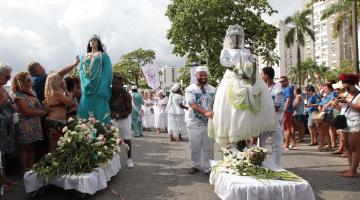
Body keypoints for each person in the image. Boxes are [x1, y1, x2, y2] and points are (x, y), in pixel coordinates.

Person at [210, 24, 276, 146]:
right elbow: (224, 61)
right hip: (231, 80)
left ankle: (244, 139)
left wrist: (251, 76)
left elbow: (253, 63)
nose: (236, 39)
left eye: (238, 37)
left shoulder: (246, 51)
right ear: (229, 38)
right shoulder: (226, 50)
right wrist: (236, 69)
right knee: (229, 107)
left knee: (247, 109)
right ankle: (234, 137)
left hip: (246, 80)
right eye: (233, 37)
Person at [12, 72, 48, 171]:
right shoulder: (18, 95)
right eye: (28, 80)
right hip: (25, 124)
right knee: (25, 147)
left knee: (33, 147)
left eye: (30, 79)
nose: (30, 81)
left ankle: (31, 169)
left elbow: (35, 107)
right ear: (21, 82)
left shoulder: (32, 91)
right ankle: (24, 170)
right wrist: (41, 113)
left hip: (34, 123)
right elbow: (25, 112)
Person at [185, 66, 215, 175]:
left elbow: (216, 103)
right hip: (194, 122)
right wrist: (206, 112)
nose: (203, 77)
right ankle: (195, 165)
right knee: (195, 146)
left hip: (209, 122)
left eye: (205, 75)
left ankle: (209, 167)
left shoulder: (212, 89)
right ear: (196, 75)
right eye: (200, 75)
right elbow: (192, 104)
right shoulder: (190, 89)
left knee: (209, 146)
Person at [77, 34, 112, 123]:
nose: (92, 41)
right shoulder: (84, 56)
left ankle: (102, 129)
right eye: (91, 40)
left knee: (100, 105)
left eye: (94, 40)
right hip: (87, 85)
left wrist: (103, 85)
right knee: (86, 105)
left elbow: (108, 71)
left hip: (99, 84)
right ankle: (84, 129)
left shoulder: (103, 55)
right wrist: (85, 82)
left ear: (98, 43)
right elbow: (81, 71)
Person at [335, 74, 360, 178]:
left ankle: (353, 171)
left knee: (355, 147)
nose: (346, 89)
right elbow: (342, 109)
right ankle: (351, 168)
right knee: (347, 147)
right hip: (345, 122)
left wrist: (346, 101)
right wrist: (337, 103)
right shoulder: (345, 94)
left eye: (348, 87)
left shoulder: (359, 94)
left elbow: (358, 107)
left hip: (355, 122)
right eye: (345, 87)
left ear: (354, 84)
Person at [259, 67, 283, 166]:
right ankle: (260, 163)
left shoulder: (278, 88)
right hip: (263, 121)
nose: (260, 76)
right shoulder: (262, 88)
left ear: (267, 76)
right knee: (260, 145)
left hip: (275, 121)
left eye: (262, 74)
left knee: (276, 145)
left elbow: (277, 107)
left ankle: (276, 166)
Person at [44, 73, 74, 152]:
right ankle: (53, 163)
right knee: (55, 145)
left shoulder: (51, 92)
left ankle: (53, 162)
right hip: (56, 121)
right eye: (60, 79)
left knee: (56, 145)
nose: (62, 80)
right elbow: (70, 102)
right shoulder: (56, 93)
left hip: (56, 120)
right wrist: (66, 90)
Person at [0, 63, 17, 192]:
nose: (8, 79)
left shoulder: (3, 89)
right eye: (7, 76)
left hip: (6, 126)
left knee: (3, 154)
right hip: (1, 126)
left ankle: (3, 180)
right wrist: (5, 99)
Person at [110, 76, 134, 168]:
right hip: (113, 119)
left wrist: (118, 115)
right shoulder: (109, 92)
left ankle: (129, 159)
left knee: (127, 139)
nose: (114, 85)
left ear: (122, 85)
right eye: (113, 83)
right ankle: (113, 161)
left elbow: (129, 110)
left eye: (117, 84)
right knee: (112, 139)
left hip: (124, 119)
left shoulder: (126, 95)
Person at [279, 76, 296, 150]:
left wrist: (285, 109)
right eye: (280, 81)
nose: (281, 83)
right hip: (286, 110)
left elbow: (288, 99)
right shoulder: (284, 89)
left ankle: (286, 144)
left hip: (287, 110)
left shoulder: (288, 88)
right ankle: (293, 142)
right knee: (287, 127)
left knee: (287, 127)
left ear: (286, 81)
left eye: (283, 81)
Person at [317, 82, 336, 151]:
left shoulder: (332, 94)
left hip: (329, 113)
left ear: (330, 88)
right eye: (324, 88)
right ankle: (328, 145)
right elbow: (321, 103)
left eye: (325, 88)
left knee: (323, 128)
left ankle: (322, 144)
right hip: (324, 113)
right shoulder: (325, 96)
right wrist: (320, 107)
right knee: (324, 129)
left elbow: (332, 101)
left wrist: (325, 106)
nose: (324, 89)